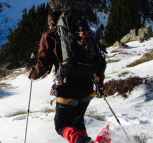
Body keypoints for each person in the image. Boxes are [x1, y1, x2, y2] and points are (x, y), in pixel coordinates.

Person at [29, 10, 106, 143]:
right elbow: (98, 58)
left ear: (52, 23)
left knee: (61, 125)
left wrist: (33, 75)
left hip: (68, 86)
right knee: (77, 122)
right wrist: (100, 82)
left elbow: (43, 65)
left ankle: (85, 142)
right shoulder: (80, 33)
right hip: (87, 86)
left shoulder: (49, 36)